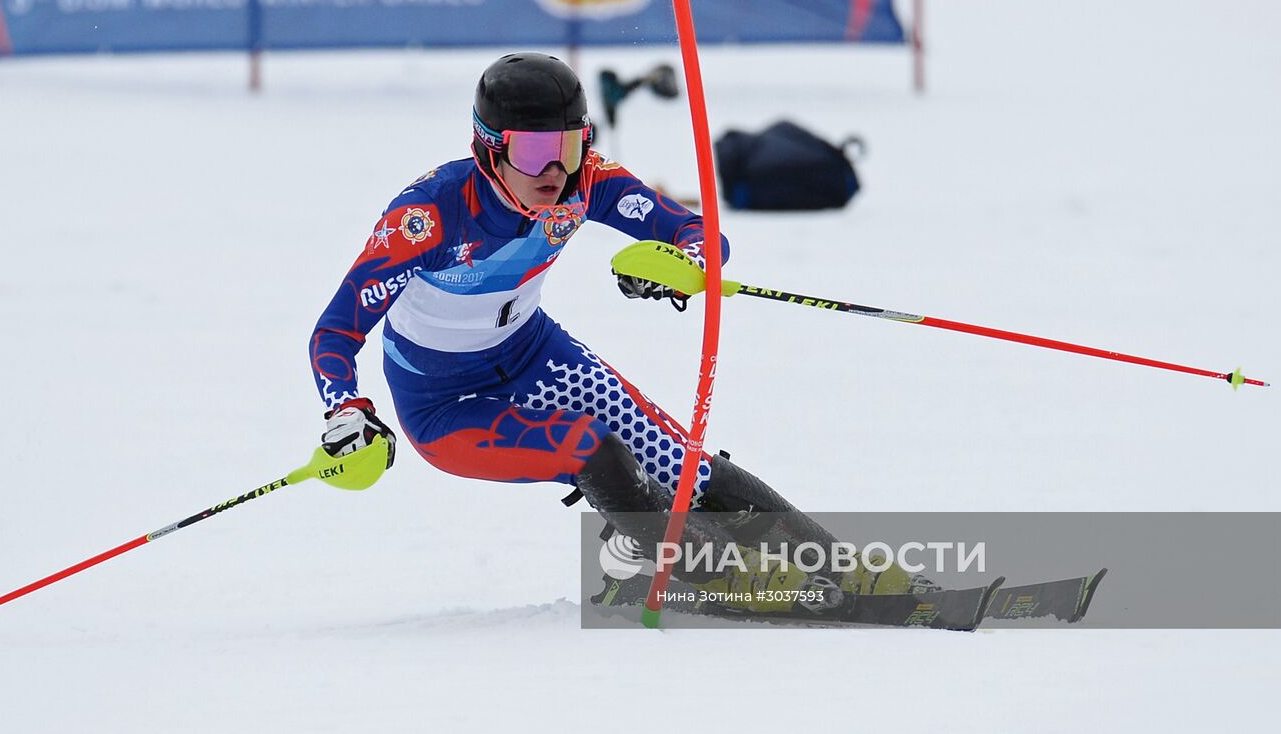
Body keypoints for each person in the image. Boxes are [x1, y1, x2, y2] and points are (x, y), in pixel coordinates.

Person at [308, 53, 905, 611]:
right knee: (592, 450)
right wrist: (347, 408)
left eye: (569, 146)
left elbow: (700, 234)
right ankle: (733, 583)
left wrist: (683, 265)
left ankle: (844, 569)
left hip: (535, 353)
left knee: (680, 465)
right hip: (444, 405)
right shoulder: (428, 217)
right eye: (533, 149)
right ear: (489, 150)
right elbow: (334, 333)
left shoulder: (586, 181)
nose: (554, 170)